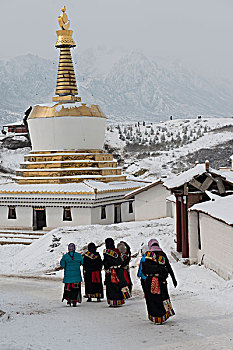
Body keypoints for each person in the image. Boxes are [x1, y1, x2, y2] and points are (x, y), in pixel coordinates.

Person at [142, 239, 177, 324]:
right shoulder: (162, 255)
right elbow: (169, 268)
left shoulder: (148, 255)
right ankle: (163, 316)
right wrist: (173, 279)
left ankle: (154, 317)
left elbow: (144, 270)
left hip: (150, 281)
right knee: (162, 297)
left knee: (152, 298)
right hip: (161, 281)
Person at [103, 237, 130, 306]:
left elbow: (106, 263)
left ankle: (112, 301)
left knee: (111, 287)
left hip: (110, 272)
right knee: (119, 285)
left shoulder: (106, 252)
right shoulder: (117, 251)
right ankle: (119, 300)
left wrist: (106, 268)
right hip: (119, 271)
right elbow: (122, 261)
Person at [60, 243, 83, 307]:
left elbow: (62, 264)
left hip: (68, 276)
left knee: (68, 289)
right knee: (75, 289)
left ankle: (69, 300)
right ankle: (74, 301)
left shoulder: (65, 256)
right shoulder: (79, 255)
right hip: (77, 276)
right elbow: (82, 263)